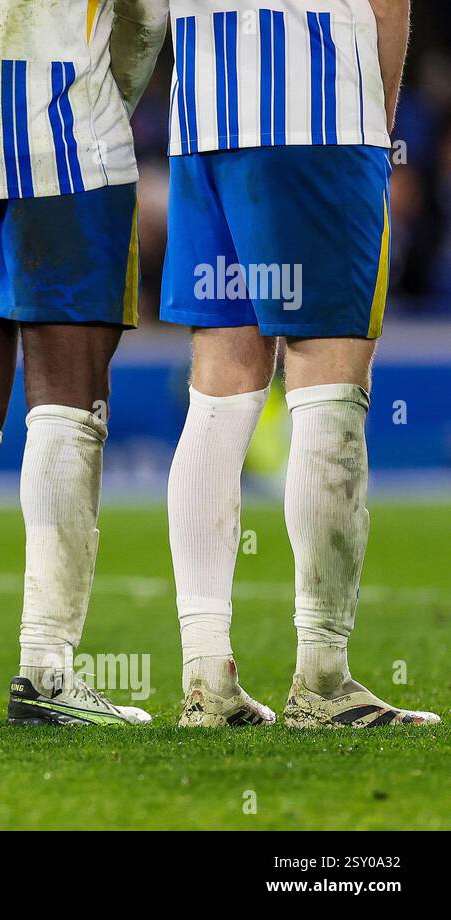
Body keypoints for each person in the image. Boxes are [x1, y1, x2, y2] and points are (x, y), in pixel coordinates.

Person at [161, 0, 437, 727]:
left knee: (219, 388)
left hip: (203, 116)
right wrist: (374, 131)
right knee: (329, 381)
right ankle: (322, 676)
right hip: (319, 110)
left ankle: (205, 680)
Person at [0, 0, 167, 724]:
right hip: (70, 130)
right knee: (69, 399)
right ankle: (47, 671)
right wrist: (108, 95)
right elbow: (143, 17)